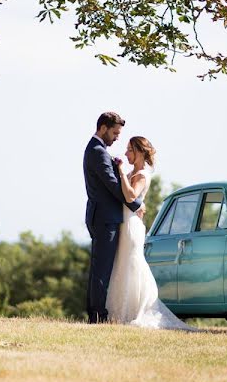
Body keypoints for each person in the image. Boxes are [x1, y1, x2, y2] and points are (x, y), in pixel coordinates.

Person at [106, 136, 195, 331]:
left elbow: (131, 196)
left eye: (129, 150)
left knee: (132, 263)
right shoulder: (131, 172)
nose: (126, 153)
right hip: (124, 222)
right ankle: (119, 311)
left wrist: (120, 172)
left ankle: (138, 309)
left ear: (138, 152)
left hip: (132, 225)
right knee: (122, 264)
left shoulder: (142, 174)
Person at [83, 112, 143, 324]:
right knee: (102, 268)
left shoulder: (96, 149)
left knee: (99, 267)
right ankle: (98, 315)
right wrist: (136, 205)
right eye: (115, 132)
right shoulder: (98, 152)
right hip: (105, 217)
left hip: (100, 215)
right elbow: (112, 185)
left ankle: (95, 312)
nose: (117, 137)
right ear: (103, 128)